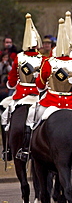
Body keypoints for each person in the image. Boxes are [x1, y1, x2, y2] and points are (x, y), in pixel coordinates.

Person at [22, 18, 72, 159]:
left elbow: (40, 85)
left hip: (51, 103)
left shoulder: (49, 62)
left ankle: (26, 149)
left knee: (31, 115)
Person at [1, 13, 45, 161]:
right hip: (38, 97)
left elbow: (11, 82)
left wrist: (12, 84)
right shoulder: (43, 59)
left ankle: (7, 150)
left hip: (20, 97)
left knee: (4, 117)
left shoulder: (18, 58)